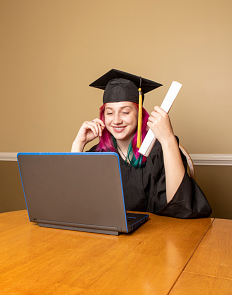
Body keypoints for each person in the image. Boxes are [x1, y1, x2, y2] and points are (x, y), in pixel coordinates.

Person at [71, 69, 211, 218]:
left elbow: (181, 206)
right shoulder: (98, 154)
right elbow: (75, 202)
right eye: (110, 113)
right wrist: (78, 144)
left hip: (157, 235)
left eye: (125, 112)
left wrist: (168, 139)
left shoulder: (159, 150)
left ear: (139, 114)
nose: (116, 120)